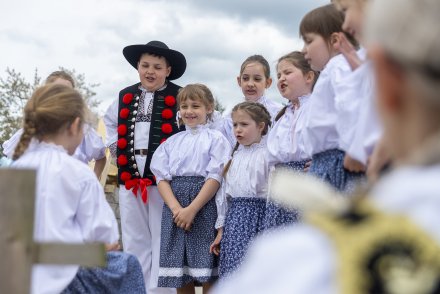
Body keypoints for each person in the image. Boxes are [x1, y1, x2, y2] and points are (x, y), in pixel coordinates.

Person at [212, 0, 440, 292]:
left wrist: (356, 149)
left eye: (346, 11)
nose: (345, 25)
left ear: (386, 82)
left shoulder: (311, 263)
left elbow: (348, 108)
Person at [11, 84, 145, 294]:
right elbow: (106, 243)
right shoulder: (78, 173)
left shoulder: (13, 170)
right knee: (127, 265)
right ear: (74, 126)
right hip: (62, 284)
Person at [103, 40, 186, 294]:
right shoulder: (123, 96)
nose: (151, 71)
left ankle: (161, 292)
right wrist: (119, 153)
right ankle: (137, 289)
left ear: (168, 70)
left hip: (164, 183)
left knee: (163, 239)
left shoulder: (180, 95)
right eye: (145, 65)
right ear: (137, 67)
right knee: (134, 237)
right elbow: (109, 126)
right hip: (131, 178)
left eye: (157, 67)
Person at [150, 84, 231, 293]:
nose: (189, 111)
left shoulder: (216, 139)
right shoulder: (172, 142)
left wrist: (192, 209)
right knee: (179, 270)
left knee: (206, 268)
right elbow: (161, 177)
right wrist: (176, 209)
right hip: (175, 208)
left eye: (195, 106)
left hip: (203, 206)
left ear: (209, 108)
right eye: (184, 106)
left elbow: (215, 177)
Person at [299, 4, 363, 192]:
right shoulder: (335, 68)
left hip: (337, 161)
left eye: (309, 41)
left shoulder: (338, 66)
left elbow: (350, 103)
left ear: (334, 39)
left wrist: (355, 148)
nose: (303, 50)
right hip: (327, 160)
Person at [2, 70, 107, 179]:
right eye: (58, 91)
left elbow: (100, 156)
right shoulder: (31, 128)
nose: (63, 97)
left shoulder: (82, 128)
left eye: (68, 92)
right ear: (46, 93)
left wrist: (93, 180)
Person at [210, 101, 272, 278]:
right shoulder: (233, 157)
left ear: (261, 126)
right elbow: (224, 196)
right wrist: (221, 230)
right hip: (235, 221)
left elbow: (273, 194)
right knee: (233, 272)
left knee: (256, 272)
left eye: (244, 124)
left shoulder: (268, 156)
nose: (238, 129)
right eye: (235, 125)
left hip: (259, 219)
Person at [264, 51, 319, 231]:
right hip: (281, 186)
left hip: (307, 181)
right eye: (279, 75)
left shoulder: (319, 107)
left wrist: (321, 163)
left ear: (309, 76)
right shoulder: (281, 116)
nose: (281, 78)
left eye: (287, 73)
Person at [220, 55, 282, 147]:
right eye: (245, 78)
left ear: (268, 82)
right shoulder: (229, 115)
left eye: (257, 79)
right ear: (239, 81)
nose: (250, 84)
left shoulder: (277, 112)